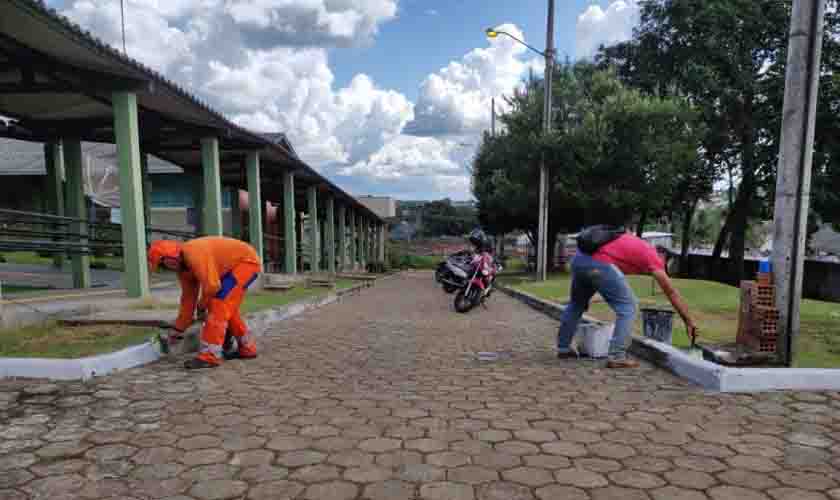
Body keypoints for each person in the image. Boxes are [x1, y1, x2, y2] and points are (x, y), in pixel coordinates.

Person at [556, 226, 697, 368]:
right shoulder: (652, 255)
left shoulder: (635, 246)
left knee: (576, 304)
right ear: (662, 255)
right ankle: (617, 356)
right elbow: (671, 293)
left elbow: (607, 282)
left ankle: (563, 348)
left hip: (579, 260)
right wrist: (688, 321)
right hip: (598, 263)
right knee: (629, 307)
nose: (663, 267)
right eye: (666, 263)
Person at [147, 236, 262, 370]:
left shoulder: (193, 252)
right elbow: (188, 300)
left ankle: (209, 356)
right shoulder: (183, 270)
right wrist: (178, 329)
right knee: (227, 307)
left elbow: (212, 286)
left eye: (165, 261)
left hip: (247, 262)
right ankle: (247, 348)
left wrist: (202, 306)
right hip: (234, 266)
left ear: (172, 254)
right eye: (163, 265)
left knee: (219, 304)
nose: (168, 266)